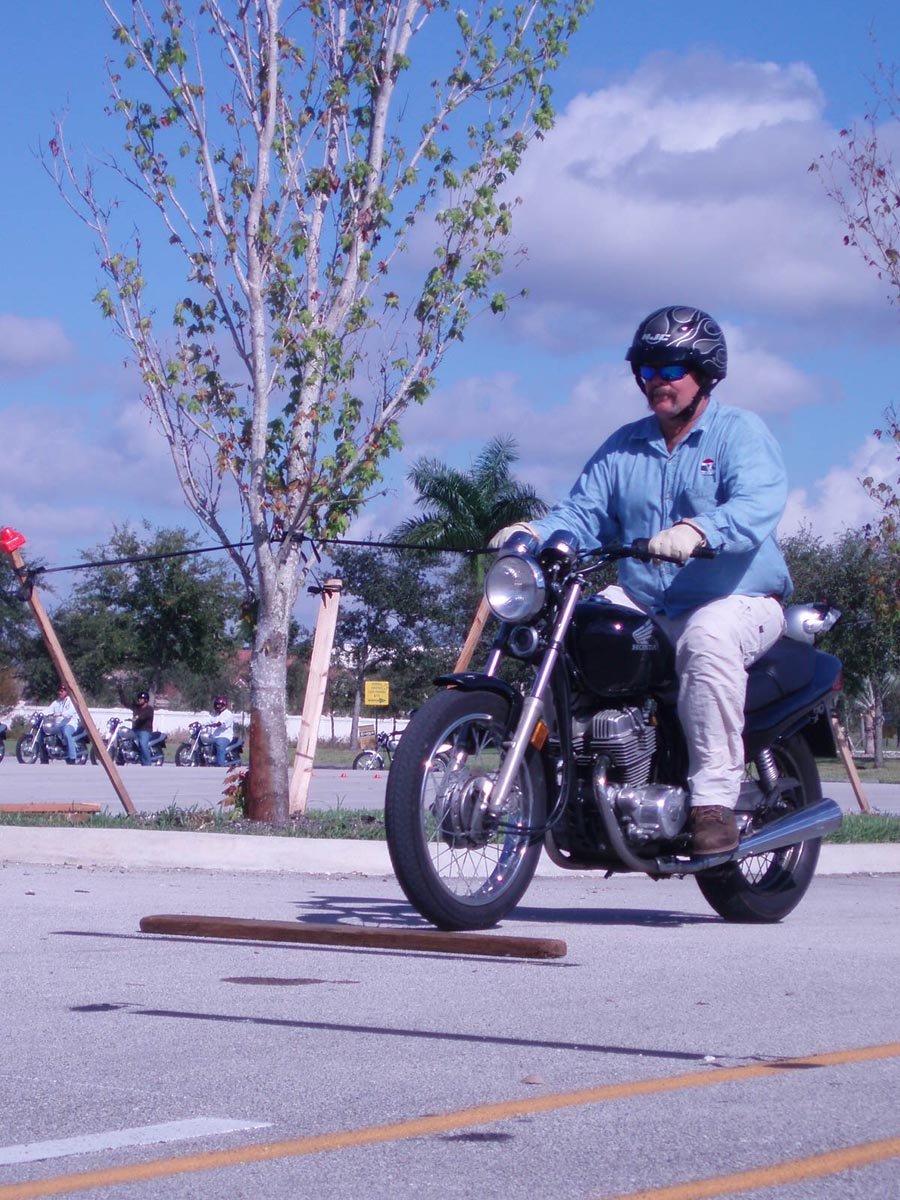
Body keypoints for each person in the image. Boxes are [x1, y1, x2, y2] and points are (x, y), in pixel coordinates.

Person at [493, 305, 792, 855]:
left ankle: (713, 804)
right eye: (647, 370)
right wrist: (533, 532)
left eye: (670, 369)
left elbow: (758, 503)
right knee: (571, 632)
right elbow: (582, 512)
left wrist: (698, 530)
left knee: (707, 640)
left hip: (737, 597)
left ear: (705, 374)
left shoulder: (740, 433)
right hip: (647, 598)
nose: (657, 381)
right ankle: (574, 778)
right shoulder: (623, 446)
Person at [46, 683, 79, 763]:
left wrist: (61, 714)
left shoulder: (70, 701)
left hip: (69, 724)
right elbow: (48, 710)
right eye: (59, 691)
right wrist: (40, 713)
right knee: (45, 732)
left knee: (66, 733)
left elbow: (71, 712)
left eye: (62, 691)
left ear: (66, 692)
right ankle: (44, 756)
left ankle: (72, 757)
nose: (60, 692)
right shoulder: (56, 702)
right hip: (58, 725)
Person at [206, 695, 235, 766]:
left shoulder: (228, 714)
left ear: (223, 705)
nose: (217, 706)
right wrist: (198, 723)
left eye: (219, 705)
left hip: (224, 736)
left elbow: (224, 722)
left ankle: (220, 765)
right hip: (213, 736)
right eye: (216, 705)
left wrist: (219, 724)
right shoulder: (213, 714)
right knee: (203, 742)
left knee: (220, 744)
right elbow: (207, 720)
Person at [132, 691, 155, 766]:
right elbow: (126, 703)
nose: (139, 700)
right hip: (135, 729)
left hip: (145, 731)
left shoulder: (149, 709)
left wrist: (137, 718)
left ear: (146, 700)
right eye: (139, 698)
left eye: (141, 699)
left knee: (143, 744)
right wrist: (121, 692)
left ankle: (148, 763)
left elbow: (143, 717)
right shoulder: (137, 707)